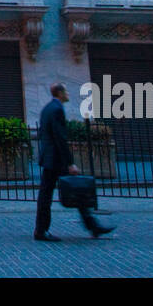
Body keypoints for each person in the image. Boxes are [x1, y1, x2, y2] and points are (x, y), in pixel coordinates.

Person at [34, 82, 115, 241]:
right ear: (59, 93)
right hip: (56, 159)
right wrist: (70, 163)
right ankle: (42, 231)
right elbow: (60, 137)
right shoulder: (57, 109)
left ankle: (92, 226)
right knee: (72, 191)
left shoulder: (47, 108)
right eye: (66, 92)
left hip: (50, 158)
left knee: (51, 194)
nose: (68, 95)